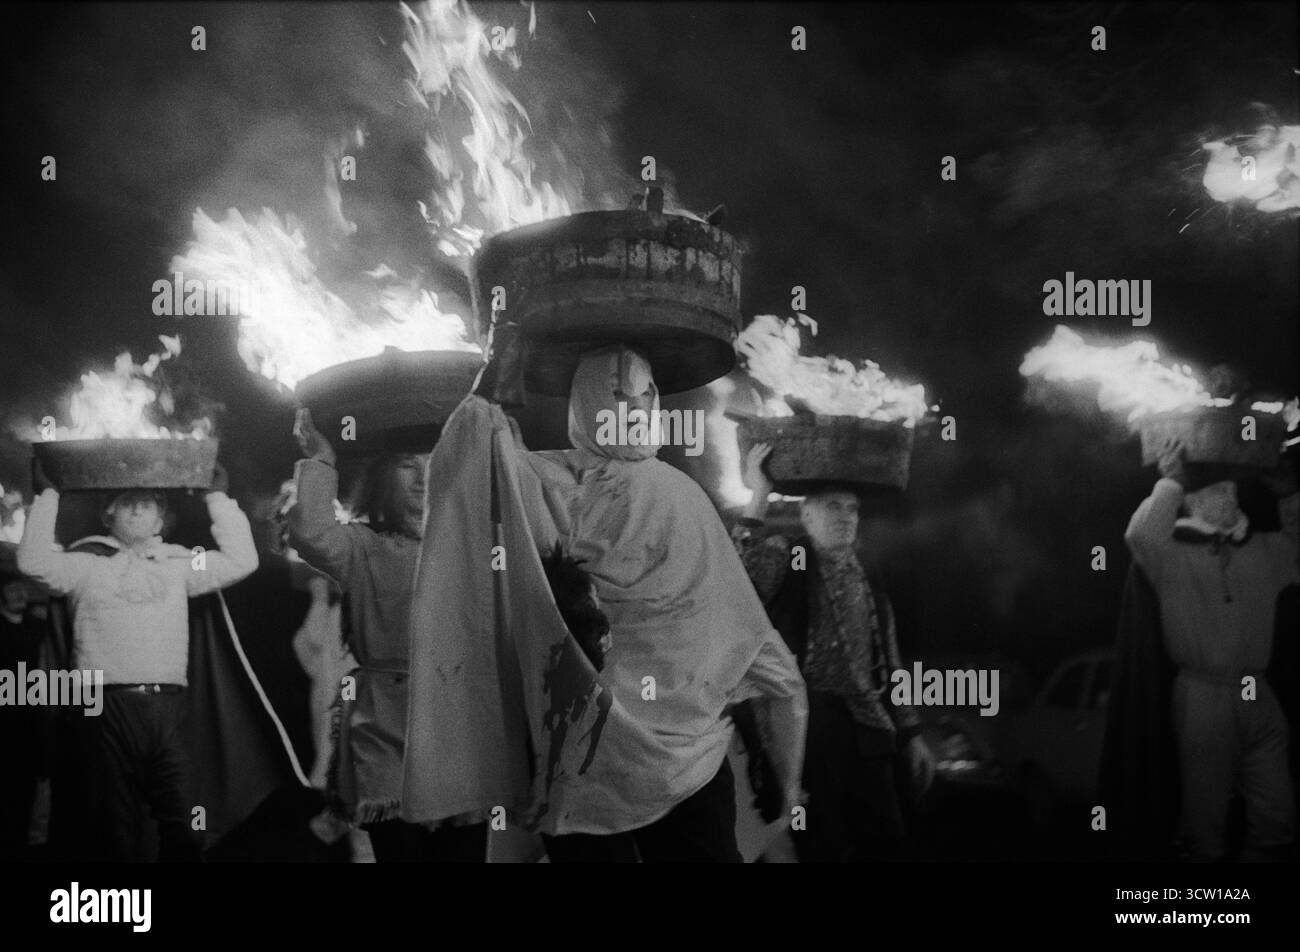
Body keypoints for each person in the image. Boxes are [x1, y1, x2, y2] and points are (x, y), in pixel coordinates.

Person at [402, 331, 808, 863]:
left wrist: (487, 397)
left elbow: (464, 474)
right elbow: (776, 673)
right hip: (660, 770)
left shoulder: (554, 486)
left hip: (584, 767)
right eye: (623, 395)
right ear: (591, 403)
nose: (638, 408)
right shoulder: (580, 487)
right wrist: (789, 787)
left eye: (647, 395)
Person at [16, 464, 258, 861]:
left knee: (187, 821)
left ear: (161, 518)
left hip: (168, 708)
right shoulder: (85, 564)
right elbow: (33, 563)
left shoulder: (180, 563)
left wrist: (218, 499)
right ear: (107, 514)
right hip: (103, 709)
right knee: (114, 832)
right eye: (127, 504)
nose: (137, 511)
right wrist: (48, 497)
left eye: (147, 505)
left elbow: (242, 561)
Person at [287, 409, 487, 862]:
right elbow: (313, 534)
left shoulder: (476, 547)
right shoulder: (363, 547)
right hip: (385, 729)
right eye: (406, 467)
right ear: (383, 479)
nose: (421, 479)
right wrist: (321, 460)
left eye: (433, 464)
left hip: (461, 728)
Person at [731, 442, 935, 862]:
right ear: (807, 515)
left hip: (868, 723)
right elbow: (740, 574)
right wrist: (760, 493)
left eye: (852, 509)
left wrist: (912, 734)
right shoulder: (790, 556)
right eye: (832, 507)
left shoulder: (868, 576)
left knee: (889, 840)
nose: (845, 516)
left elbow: (890, 659)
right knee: (824, 844)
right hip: (810, 726)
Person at [1122, 441, 1299, 861]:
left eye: (1230, 491)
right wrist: (1172, 482)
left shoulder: (1263, 550)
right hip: (1202, 695)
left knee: (1277, 817)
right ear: (1191, 504)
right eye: (1213, 491)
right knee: (1206, 822)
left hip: (1256, 691)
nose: (1226, 498)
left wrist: (1291, 497)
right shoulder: (1168, 554)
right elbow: (1140, 533)